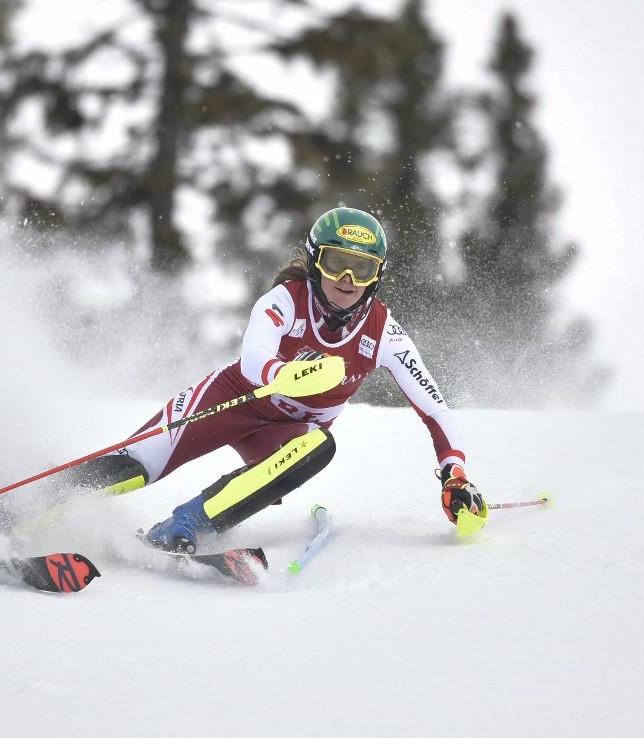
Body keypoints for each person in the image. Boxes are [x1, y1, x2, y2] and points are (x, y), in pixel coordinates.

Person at [65, 206, 486, 553]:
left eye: (362, 269)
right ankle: (30, 502)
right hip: (231, 400)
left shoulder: (384, 332)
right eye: (336, 263)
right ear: (314, 261)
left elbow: (434, 408)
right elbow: (254, 358)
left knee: (319, 445)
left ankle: (183, 526)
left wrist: (456, 475)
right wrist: (283, 375)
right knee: (136, 467)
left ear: (377, 275)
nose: (347, 280)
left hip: (285, 436)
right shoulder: (285, 299)